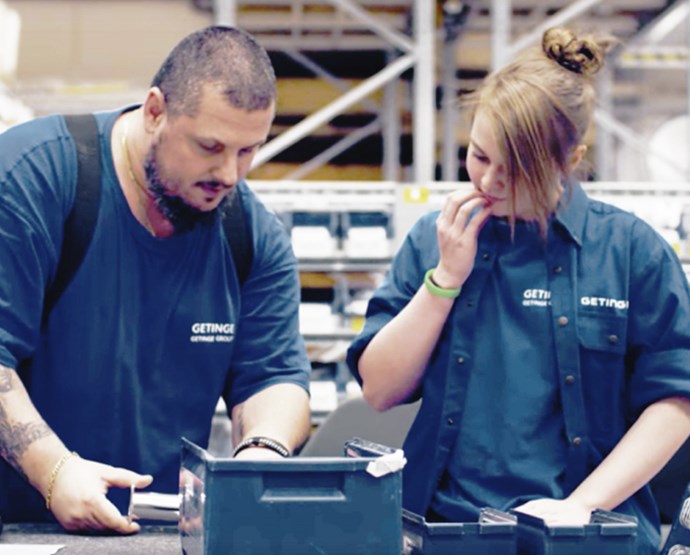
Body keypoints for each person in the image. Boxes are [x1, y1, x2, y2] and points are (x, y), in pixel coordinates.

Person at [346, 26, 690, 555]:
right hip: (443, 531)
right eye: (479, 156)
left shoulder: (632, 253)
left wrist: (581, 506)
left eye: (515, 170)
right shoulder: (434, 240)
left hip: (591, 535)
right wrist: (445, 282)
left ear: (570, 161)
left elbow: (676, 401)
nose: (487, 182)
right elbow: (379, 389)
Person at [0, 26, 311, 533]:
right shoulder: (33, 178)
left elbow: (274, 375)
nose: (230, 174)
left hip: (154, 535)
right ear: (154, 111)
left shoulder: (251, 235)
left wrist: (263, 450)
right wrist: (53, 470)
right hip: (14, 528)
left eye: (248, 151)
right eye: (210, 146)